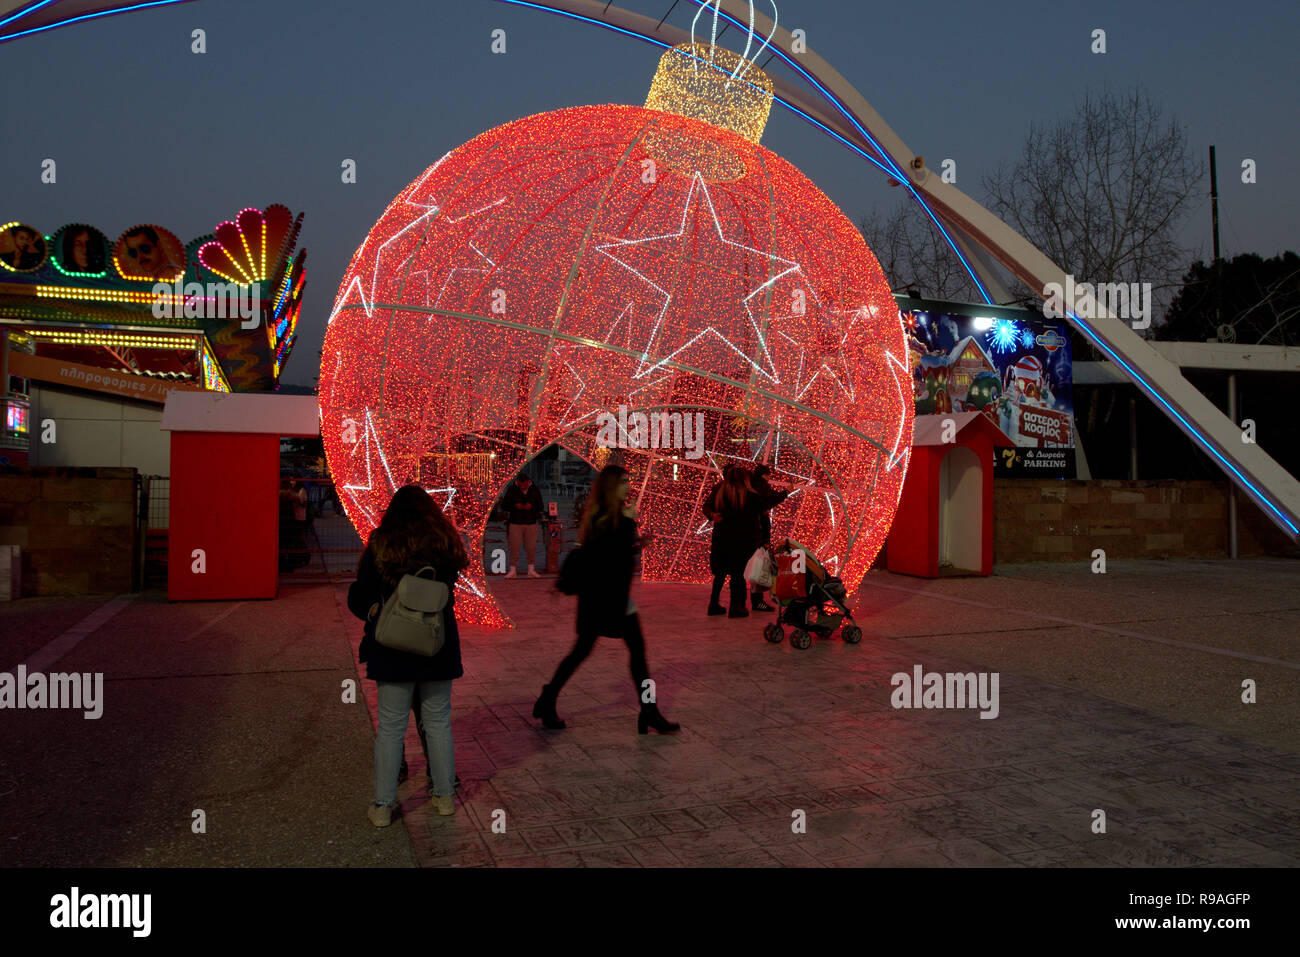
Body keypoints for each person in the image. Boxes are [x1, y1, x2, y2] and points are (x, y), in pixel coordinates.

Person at [347, 485, 469, 826]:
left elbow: (360, 595)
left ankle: (383, 806)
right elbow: (450, 597)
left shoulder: (382, 542)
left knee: (390, 728)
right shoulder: (445, 543)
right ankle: (443, 798)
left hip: (393, 648)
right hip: (436, 646)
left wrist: (375, 611)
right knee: (437, 723)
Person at [532, 465, 679, 735]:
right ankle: (649, 711)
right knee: (628, 655)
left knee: (588, 652)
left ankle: (549, 696)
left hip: (601, 599)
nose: (628, 485)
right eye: (623, 481)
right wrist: (629, 524)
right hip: (609, 600)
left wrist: (634, 542)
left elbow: (610, 554)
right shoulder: (612, 518)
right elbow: (608, 558)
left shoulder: (602, 516)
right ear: (612, 486)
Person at [703, 465, 766, 618]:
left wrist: (712, 515)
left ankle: (714, 604)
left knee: (721, 573)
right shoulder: (747, 493)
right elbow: (761, 506)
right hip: (742, 539)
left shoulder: (720, 489)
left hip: (722, 538)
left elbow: (706, 506)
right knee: (739, 574)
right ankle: (737, 606)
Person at [748, 464, 789, 611]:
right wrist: (785, 493)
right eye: (768, 474)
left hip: (752, 531)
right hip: (759, 532)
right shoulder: (761, 486)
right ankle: (757, 601)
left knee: (753, 567)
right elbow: (771, 499)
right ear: (764, 475)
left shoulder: (750, 486)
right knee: (759, 567)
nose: (769, 477)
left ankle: (750, 601)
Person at [500, 472, 545, 578]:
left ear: (528, 482)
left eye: (524, 484)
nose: (522, 487)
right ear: (517, 482)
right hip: (515, 522)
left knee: (531, 547)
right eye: (520, 484)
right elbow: (504, 505)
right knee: (514, 547)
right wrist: (515, 506)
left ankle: (531, 569)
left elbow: (541, 506)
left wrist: (532, 506)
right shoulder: (512, 490)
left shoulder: (534, 489)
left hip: (531, 522)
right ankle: (513, 570)